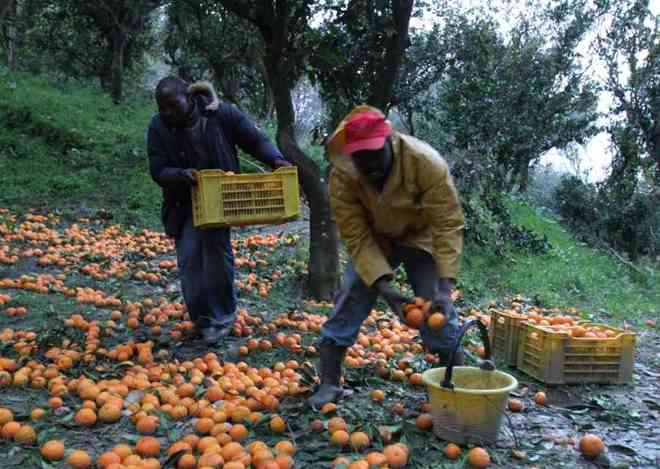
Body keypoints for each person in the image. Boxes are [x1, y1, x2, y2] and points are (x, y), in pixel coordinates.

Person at [308, 105, 465, 409]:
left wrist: (445, 288)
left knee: (436, 308)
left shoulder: (424, 163)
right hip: (375, 238)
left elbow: (447, 223)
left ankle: (455, 384)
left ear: (390, 142)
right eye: (360, 159)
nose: (369, 166)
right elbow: (355, 234)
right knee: (351, 295)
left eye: (375, 155)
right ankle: (328, 383)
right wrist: (385, 289)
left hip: (419, 235)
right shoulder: (343, 177)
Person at [147, 77, 291, 345]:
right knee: (190, 259)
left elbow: (254, 140)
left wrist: (276, 159)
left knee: (215, 256)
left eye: (172, 105)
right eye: (162, 107)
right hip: (184, 202)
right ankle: (202, 320)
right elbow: (157, 169)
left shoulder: (220, 114)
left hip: (219, 198)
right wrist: (181, 175)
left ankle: (222, 318)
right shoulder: (159, 127)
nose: (167, 112)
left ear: (188, 98)